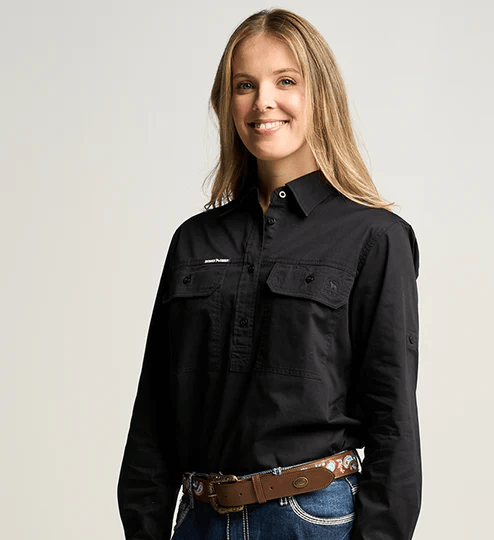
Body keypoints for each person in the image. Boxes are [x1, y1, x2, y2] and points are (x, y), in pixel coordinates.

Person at [117, 7, 422, 540]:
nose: (263, 101)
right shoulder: (194, 240)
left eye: (285, 81)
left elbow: (393, 423)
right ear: (227, 103)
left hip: (313, 522)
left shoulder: (375, 237)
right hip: (199, 521)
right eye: (245, 85)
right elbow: (154, 415)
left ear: (319, 95)